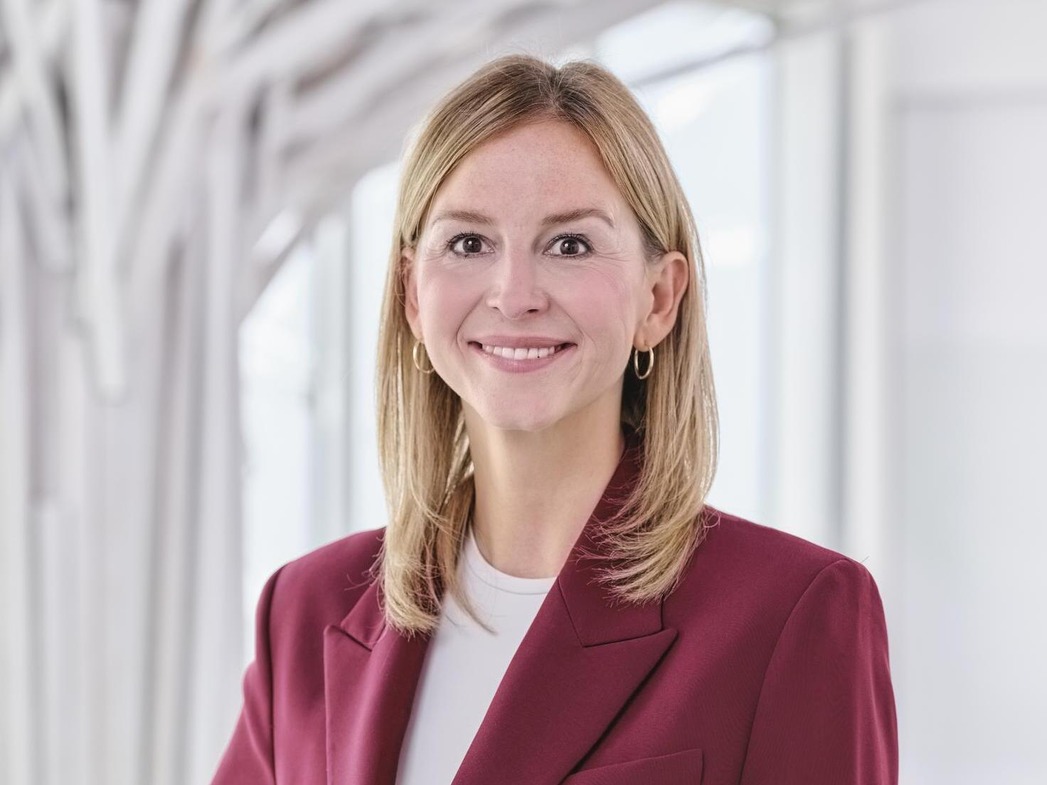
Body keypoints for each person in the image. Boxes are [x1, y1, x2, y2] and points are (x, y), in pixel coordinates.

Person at [213, 54, 897, 785]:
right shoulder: (306, 610)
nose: (515, 295)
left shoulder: (789, 614)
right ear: (413, 294)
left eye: (570, 244)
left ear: (659, 298)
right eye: (468, 243)